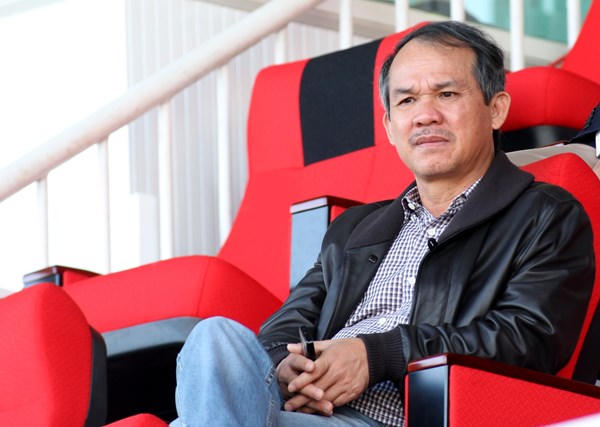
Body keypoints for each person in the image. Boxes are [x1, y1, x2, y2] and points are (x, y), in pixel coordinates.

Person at [170, 21, 595, 427]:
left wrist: (377, 356)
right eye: (407, 101)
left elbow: (528, 338)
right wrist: (287, 367)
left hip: (402, 416)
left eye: (446, 94)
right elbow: (285, 325)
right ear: (390, 127)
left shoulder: (545, 214)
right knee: (215, 340)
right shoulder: (354, 228)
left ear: (496, 109)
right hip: (298, 411)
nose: (425, 116)